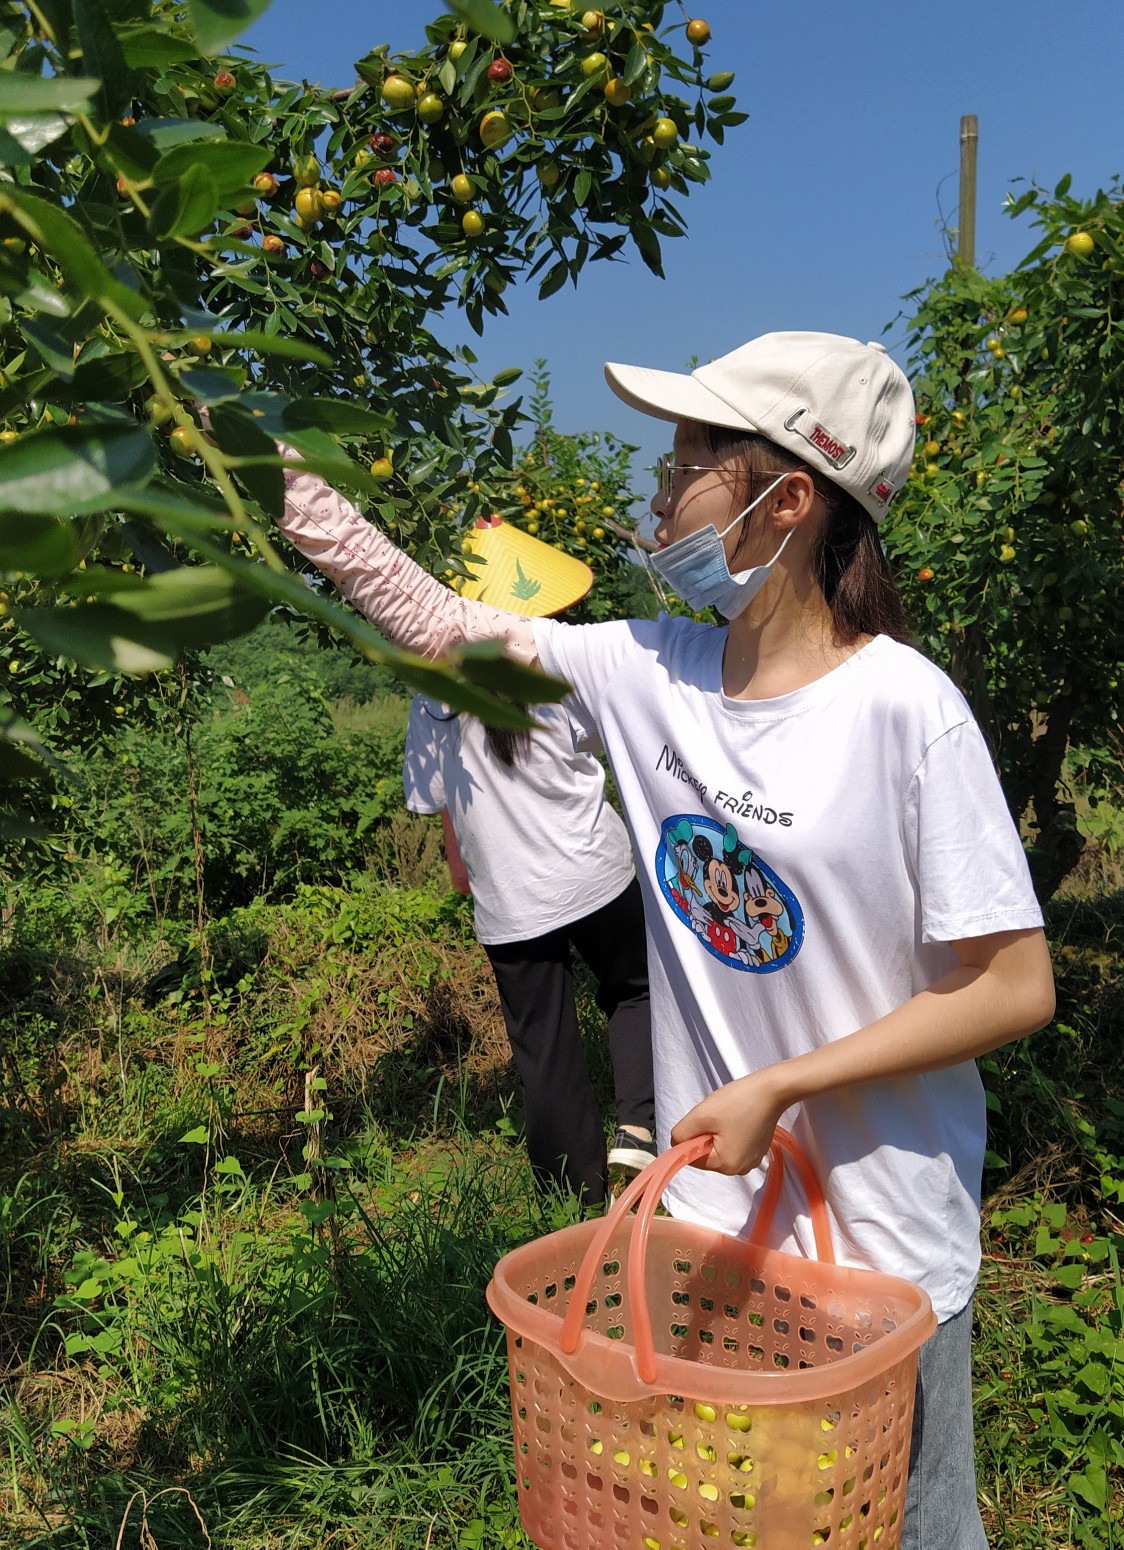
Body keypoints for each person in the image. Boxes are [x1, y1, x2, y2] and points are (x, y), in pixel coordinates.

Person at [274, 331, 1055, 1547]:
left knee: (905, 1525)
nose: (658, 483)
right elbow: (441, 622)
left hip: (882, 1234)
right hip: (716, 1230)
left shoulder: (902, 709)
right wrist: (274, 482)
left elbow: (1010, 985)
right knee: (726, 1516)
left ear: (786, 498)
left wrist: (784, 1082)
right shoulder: (650, 671)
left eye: (691, 455)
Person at [402, 516, 658, 1206]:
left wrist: (467, 873)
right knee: (635, 989)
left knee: (543, 1049)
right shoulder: (556, 673)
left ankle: (572, 1199)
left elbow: (441, 806)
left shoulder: (432, 699)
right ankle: (639, 1122)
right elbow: (616, 748)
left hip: (510, 899)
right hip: (595, 871)